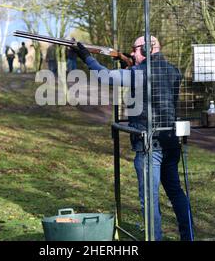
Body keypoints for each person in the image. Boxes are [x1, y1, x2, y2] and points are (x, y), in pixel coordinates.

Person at [71, 36, 192, 241]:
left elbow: (105, 77)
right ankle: (188, 237)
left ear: (145, 49)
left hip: (148, 145)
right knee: (176, 192)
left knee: (149, 200)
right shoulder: (173, 70)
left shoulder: (139, 73)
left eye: (135, 50)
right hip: (170, 142)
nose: (132, 53)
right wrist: (129, 66)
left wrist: (86, 56)